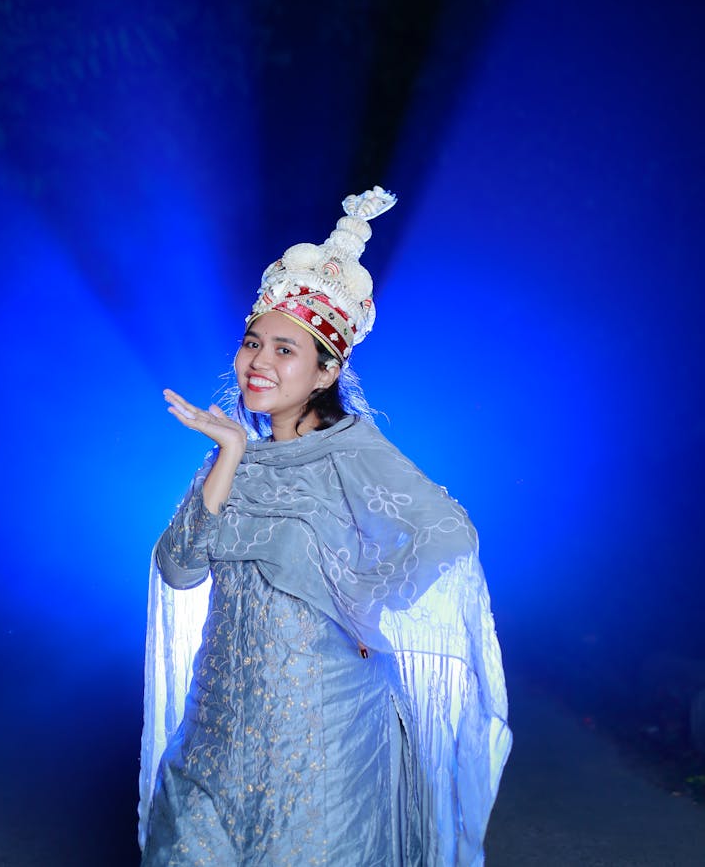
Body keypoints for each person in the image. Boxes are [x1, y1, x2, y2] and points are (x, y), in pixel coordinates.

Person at [138, 187, 511, 866]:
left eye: (286, 349)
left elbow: (449, 532)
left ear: (327, 370)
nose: (259, 361)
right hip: (217, 728)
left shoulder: (353, 450)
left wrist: (364, 604)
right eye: (254, 342)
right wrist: (229, 455)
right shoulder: (233, 454)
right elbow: (177, 567)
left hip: (322, 734)